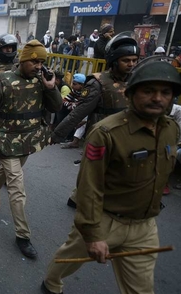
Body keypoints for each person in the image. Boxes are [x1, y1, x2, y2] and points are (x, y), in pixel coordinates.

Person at [41, 60, 181, 294]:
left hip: (144, 226)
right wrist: (93, 234)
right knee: (69, 259)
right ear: (131, 94)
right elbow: (89, 186)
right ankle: (51, 282)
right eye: (148, 91)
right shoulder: (106, 133)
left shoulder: (171, 129)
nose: (157, 98)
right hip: (104, 220)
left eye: (165, 92)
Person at [0, 40, 63, 258]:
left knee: (5, 174)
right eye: (34, 61)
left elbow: (56, 107)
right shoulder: (1, 82)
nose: (38, 66)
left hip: (28, 142)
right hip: (6, 144)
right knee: (17, 188)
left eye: (42, 62)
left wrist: (51, 87)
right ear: (23, 60)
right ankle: (23, 235)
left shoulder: (42, 81)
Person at [53, 35, 140, 208]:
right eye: (126, 60)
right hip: (100, 138)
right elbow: (78, 113)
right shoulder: (97, 83)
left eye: (134, 60)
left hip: (126, 137)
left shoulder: (136, 81)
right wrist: (56, 135)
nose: (131, 64)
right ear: (114, 61)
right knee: (92, 173)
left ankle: (85, 199)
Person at [59, 73, 87, 149]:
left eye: (74, 84)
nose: (72, 86)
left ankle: (74, 140)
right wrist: (71, 104)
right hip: (75, 111)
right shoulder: (74, 91)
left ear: (81, 85)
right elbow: (65, 100)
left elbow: (79, 105)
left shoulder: (85, 93)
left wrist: (71, 104)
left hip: (84, 113)